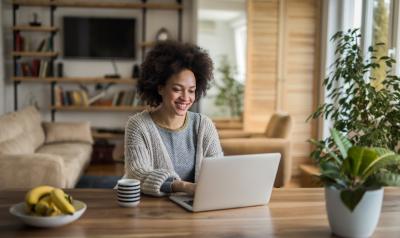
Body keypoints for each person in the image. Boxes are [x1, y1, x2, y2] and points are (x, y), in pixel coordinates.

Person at [123, 41, 223, 197]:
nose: (185, 98)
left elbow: (219, 170)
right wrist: (182, 186)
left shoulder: (204, 125)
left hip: (194, 206)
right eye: (177, 89)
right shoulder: (138, 125)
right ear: (160, 87)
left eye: (191, 91)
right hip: (151, 208)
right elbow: (138, 174)